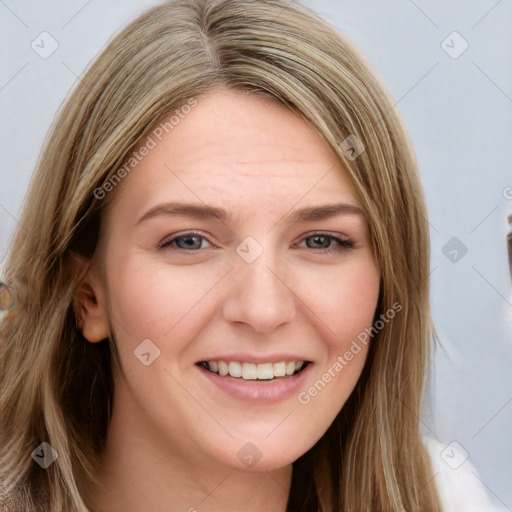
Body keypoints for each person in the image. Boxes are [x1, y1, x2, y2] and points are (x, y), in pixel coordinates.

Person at [0, 1, 495, 511]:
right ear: (88, 296)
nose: (263, 310)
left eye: (321, 241)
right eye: (189, 241)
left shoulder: (444, 495)